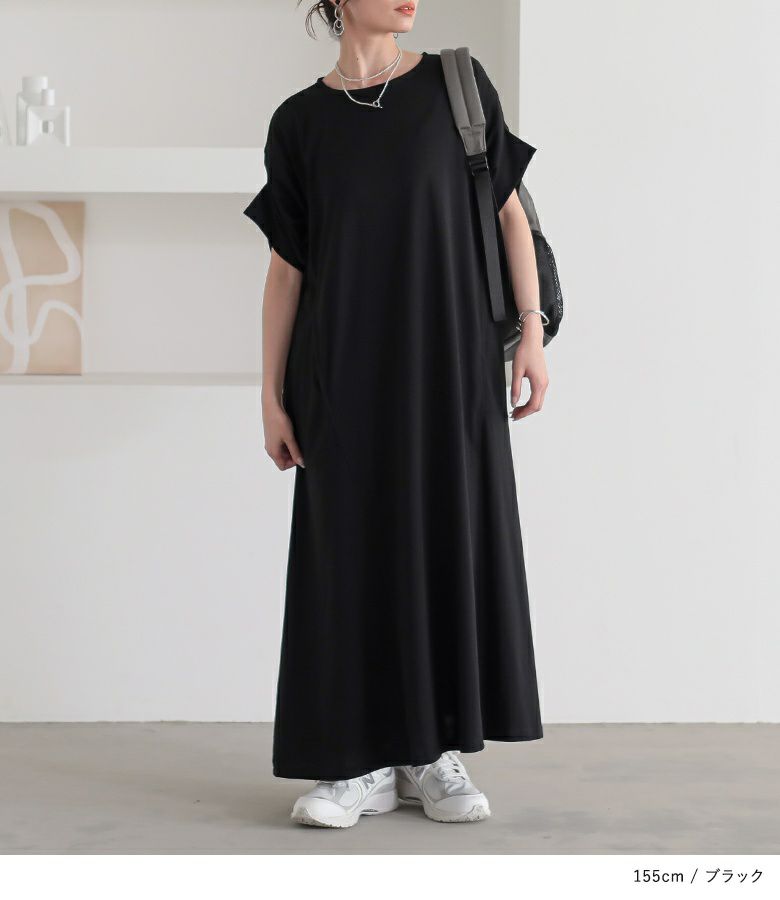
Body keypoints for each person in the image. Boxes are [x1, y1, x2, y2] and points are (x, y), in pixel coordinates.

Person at [244, 0, 547, 828]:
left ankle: (432, 753)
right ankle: (358, 762)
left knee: (444, 540)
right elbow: (286, 270)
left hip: (450, 367)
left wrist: (530, 332)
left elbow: (509, 214)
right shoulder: (300, 122)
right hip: (340, 375)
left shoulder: (457, 86)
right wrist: (270, 395)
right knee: (349, 555)